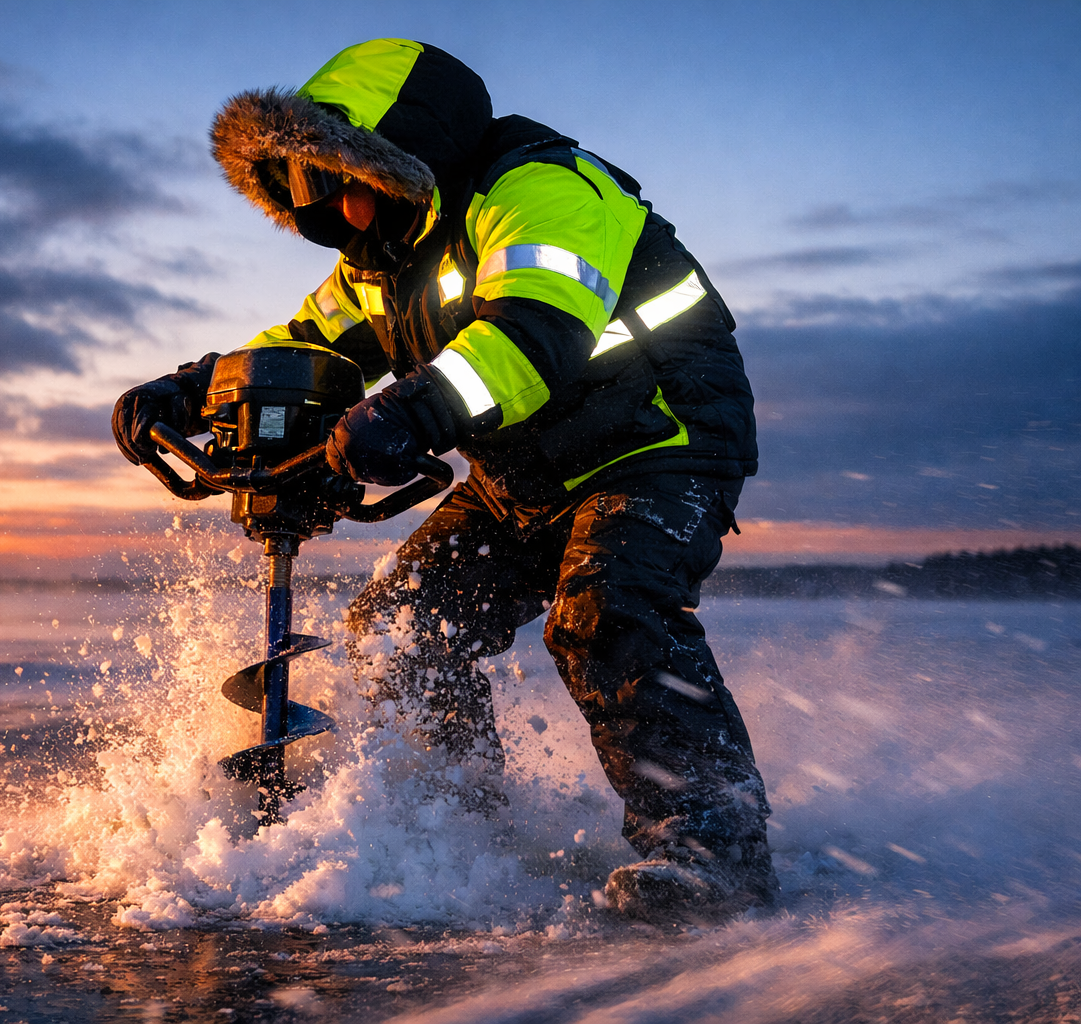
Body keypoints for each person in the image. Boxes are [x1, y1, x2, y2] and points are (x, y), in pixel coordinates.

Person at [113, 39, 776, 922]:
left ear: (400, 151)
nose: (328, 210)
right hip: (525, 471)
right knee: (401, 628)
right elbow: (304, 347)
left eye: (333, 178)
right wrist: (191, 390)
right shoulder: (386, 260)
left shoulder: (542, 191)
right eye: (305, 192)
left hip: (660, 440)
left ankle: (712, 853)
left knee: (607, 612)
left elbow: (534, 335)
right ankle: (461, 818)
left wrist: (412, 411)